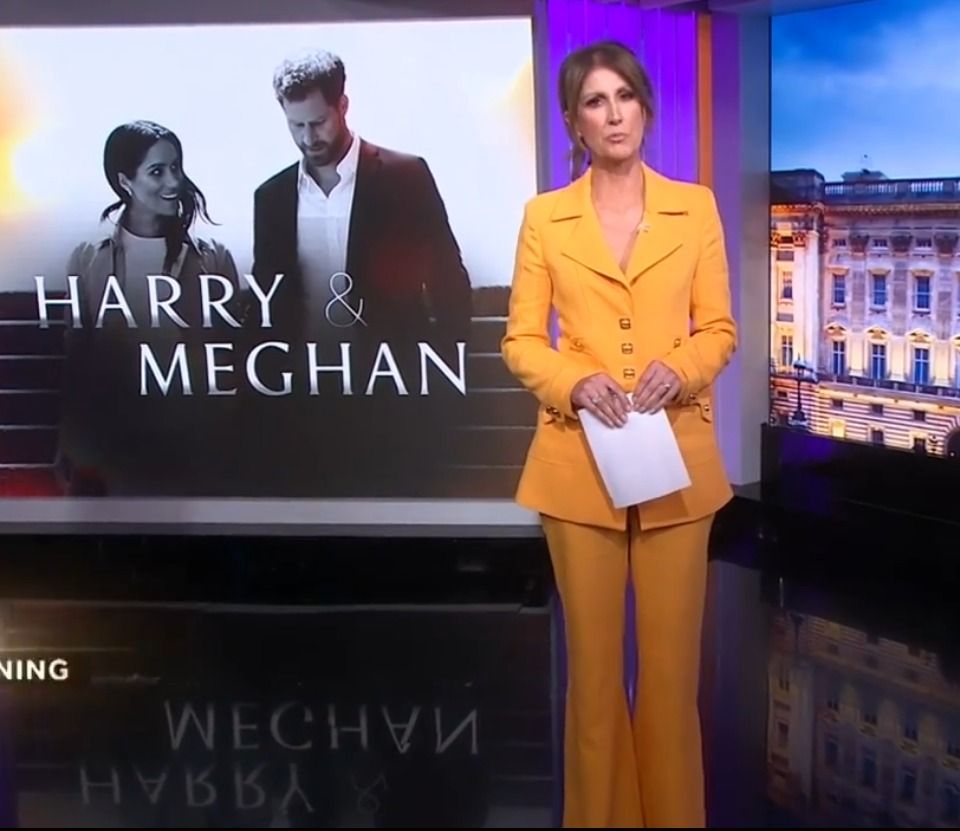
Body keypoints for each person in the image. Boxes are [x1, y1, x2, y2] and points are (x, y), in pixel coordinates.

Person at [500, 40, 737, 827]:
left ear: (645, 108)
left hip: (676, 462)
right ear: (573, 121)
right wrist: (573, 381)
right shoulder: (545, 218)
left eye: (625, 96)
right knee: (594, 683)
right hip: (578, 466)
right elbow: (521, 340)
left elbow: (720, 329)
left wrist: (683, 366)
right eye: (595, 101)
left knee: (668, 682)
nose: (613, 114)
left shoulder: (695, 207)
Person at [244, 49, 473, 496]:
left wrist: (441, 373)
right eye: (295, 125)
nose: (308, 137)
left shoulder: (405, 176)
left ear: (343, 105)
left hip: (393, 396)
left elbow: (448, 278)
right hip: (305, 400)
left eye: (318, 122)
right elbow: (267, 298)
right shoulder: (270, 197)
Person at [56, 120, 240, 496]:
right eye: (157, 172)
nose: (173, 182)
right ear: (125, 182)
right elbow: (77, 355)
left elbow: (232, 356)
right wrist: (69, 437)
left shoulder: (213, 259)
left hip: (192, 441)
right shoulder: (89, 258)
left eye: (176, 167)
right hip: (114, 442)